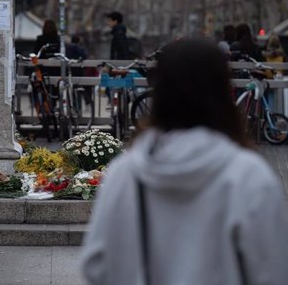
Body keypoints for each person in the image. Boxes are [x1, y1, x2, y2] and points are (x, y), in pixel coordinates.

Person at [81, 38, 288, 285]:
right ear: (223, 91)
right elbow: (273, 270)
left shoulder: (124, 174)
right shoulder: (251, 177)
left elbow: (96, 266)